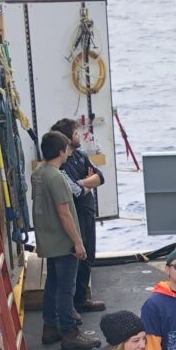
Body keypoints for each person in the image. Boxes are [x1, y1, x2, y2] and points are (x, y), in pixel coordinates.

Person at [32, 130, 98, 350]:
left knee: (52, 283)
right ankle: (70, 332)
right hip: (63, 241)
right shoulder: (57, 177)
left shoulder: (38, 173)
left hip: (48, 239)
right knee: (65, 288)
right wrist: (78, 242)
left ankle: (50, 327)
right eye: (67, 148)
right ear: (61, 151)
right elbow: (64, 212)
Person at [51, 118, 106, 315]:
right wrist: (86, 183)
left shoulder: (81, 156)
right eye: (76, 133)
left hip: (87, 212)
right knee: (77, 256)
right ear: (67, 139)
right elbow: (74, 191)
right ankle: (72, 304)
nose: (79, 136)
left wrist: (82, 182)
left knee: (89, 254)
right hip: (76, 214)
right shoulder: (63, 165)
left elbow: (100, 177)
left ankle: (81, 298)